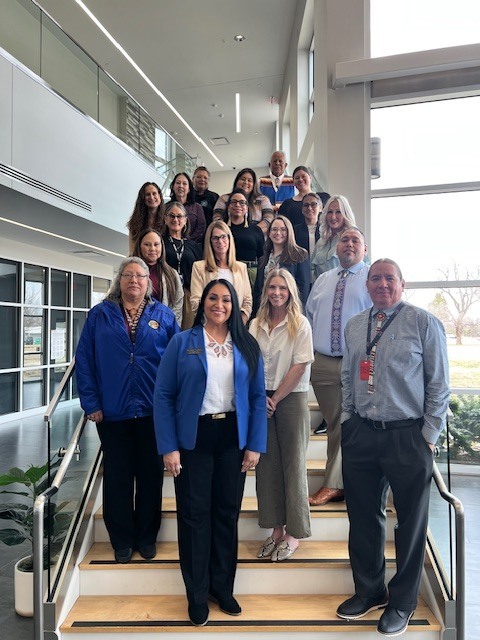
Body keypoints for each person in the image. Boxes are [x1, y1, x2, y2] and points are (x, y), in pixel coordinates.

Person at [337, 259, 449, 637]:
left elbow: (439, 385)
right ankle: (370, 591)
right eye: (376, 278)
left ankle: (403, 601)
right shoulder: (355, 326)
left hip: (408, 435)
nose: (382, 284)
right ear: (366, 285)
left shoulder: (423, 323)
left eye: (390, 278)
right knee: (364, 518)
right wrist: (349, 421)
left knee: (410, 523)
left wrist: (428, 436)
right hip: (363, 434)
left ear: (402, 284)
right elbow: (347, 377)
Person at [154, 279, 267, 627]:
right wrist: (169, 447)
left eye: (226, 299)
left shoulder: (246, 344)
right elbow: (163, 396)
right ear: (202, 303)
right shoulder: (182, 342)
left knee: (226, 515)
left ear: (234, 305)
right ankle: (197, 593)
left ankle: (222, 587)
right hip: (194, 439)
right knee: (194, 517)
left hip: (232, 437)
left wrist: (255, 445)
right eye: (213, 298)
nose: (219, 304)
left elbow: (258, 397)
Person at [75, 257, 179, 564]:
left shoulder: (164, 316)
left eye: (140, 276)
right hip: (113, 412)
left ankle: (146, 538)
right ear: (119, 280)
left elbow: (176, 365)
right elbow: (85, 361)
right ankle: (121, 540)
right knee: (118, 479)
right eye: (128, 275)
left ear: (149, 282)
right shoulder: (99, 315)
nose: (134, 280)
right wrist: (91, 404)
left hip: (152, 412)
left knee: (150, 477)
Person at [250, 269, 313, 562]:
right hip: (262, 399)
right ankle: (276, 530)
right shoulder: (256, 324)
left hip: (291, 399)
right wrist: (261, 397)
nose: (277, 292)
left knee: (293, 466)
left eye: (282, 288)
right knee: (267, 466)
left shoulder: (300, 324)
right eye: (272, 287)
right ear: (266, 291)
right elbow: (248, 363)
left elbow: (300, 365)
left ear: (290, 292)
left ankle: (294, 534)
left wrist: (275, 398)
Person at [305, 228, 371, 505]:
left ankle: (334, 484)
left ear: (364, 249)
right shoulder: (322, 279)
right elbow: (309, 314)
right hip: (322, 364)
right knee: (336, 422)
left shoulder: (371, 277)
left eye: (356, 240)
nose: (349, 244)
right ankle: (345, 481)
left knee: (346, 423)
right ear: (335, 248)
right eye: (344, 239)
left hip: (358, 363)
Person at [190, 221, 253, 324]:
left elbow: (247, 301)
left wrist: (239, 324)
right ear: (209, 241)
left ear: (229, 239)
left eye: (223, 237)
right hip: (208, 325)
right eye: (215, 238)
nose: (220, 241)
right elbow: (196, 302)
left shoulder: (241, 268)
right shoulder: (199, 267)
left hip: (236, 326)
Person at [253, 215, 310, 316]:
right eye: (274, 229)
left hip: (290, 311)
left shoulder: (300, 255)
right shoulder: (263, 258)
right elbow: (258, 290)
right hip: (266, 310)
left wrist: (298, 314)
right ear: (269, 233)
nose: (278, 233)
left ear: (289, 232)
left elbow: (303, 288)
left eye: (283, 229)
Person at [162, 201, 202, 329]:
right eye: (172, 216)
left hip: (188, 295)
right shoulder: (160, 242)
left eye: (179, 216)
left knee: (186, 333)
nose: (176, 219)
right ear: (165, 219)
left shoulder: (194, 246)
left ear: (185, 220)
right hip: (167, 292)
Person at [132, 228, 183, 326]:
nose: (152, 249)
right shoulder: (129, 271)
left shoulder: (172, 274)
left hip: (162, 329)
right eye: (147, 244)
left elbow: (177, 305)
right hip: (134, 327)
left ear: (162, 247)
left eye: (156, 244)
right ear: (139, 247)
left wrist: (171, 329)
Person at [213, 168, 274, 235]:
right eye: (243, 179)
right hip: (228, 238)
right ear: (236, 181)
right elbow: (217, 218)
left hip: (256, 238)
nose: (246, 182)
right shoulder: (224, 199)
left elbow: (269, 219)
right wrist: (228, 234)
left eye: (249, 180)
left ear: (254, 184)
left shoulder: (263, 200)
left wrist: (250, 233)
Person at [225, 188, 265, 286]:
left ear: (247, 207)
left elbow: (262, 257)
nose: (237, 205)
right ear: (228, 207)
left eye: (242, 202)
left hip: (251, 274)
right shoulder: (221, 229)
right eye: (234, 202)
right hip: (227, 272)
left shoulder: (256, 230)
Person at [311, 195, 357, 278]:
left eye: (338, 212)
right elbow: (311, 271)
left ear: (345, 214)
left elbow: (363, 271)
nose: (333, 217)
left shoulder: (353, 241)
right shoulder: (321, 242)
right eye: (330, 212)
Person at [293, 192, 323, 285]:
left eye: (313, 204)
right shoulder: (294, 231)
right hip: (301, 277)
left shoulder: (326, 230)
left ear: (321, 208)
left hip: (321, 276)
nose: (309, 208)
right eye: (306, 205)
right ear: (302, 209)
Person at [127, 182, 165, 254]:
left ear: (159, 196)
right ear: (143, 199)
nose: (151, 197)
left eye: (154, 193)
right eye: (148, 194)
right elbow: (132, 249)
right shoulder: (135, 222)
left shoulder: (167, 220)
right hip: (140, 261)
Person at [169, 172, 207, 244]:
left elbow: (201, 228)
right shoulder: (166, 207)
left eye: (184, 183)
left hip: (192, 245)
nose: (181, 186)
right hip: (170, 245)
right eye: (178, 183)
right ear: (173, 186)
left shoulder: (197, 207)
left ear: (189, 188)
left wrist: (188, 241)